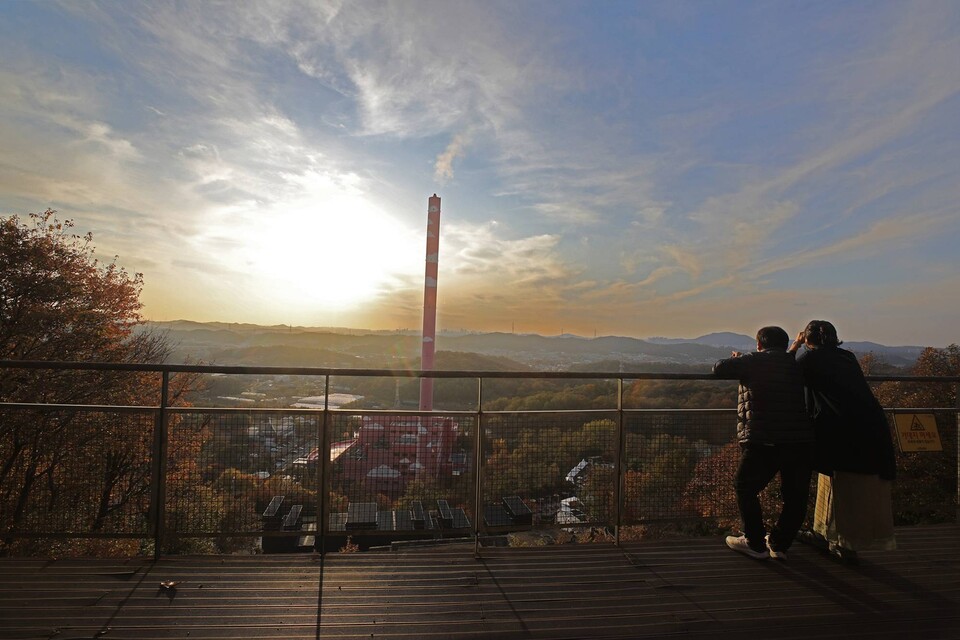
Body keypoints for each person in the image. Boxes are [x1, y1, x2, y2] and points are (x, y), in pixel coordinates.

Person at [789, 320, 897, 562]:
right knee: (843, 481)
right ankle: (827, 534)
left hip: (840, 429)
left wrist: (795, 346)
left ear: (808, 340)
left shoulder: (809, 358)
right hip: (870, 424)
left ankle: (842, 543)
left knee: (840, 481)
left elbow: (785, 371)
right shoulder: (847, 357)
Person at [713, 326, 815, 560]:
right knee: (795, 495)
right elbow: (785, 359)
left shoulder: (753, 361)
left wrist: (736, 359)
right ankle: (779, 544)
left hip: (765, 439)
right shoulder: (795, 363)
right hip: (800, 440)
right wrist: (797, 347)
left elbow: (719, 368)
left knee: (744, 486)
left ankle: (755, 542)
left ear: (759, 344)